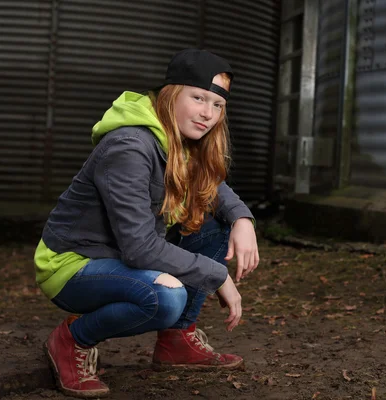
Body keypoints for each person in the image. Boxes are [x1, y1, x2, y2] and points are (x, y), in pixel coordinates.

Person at [34, 49, 260, 398]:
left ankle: (177, 342)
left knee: (221, 224)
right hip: (73, 265)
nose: (207, 114)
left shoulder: (181, 141)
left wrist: (243, 219)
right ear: (170, 94)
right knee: (165, 298)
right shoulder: (130, 147)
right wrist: (218, 276)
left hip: (120, 259)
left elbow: (213, 187)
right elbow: (140, 248)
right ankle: (70, 340)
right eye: (198, 98)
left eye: (217, 105)